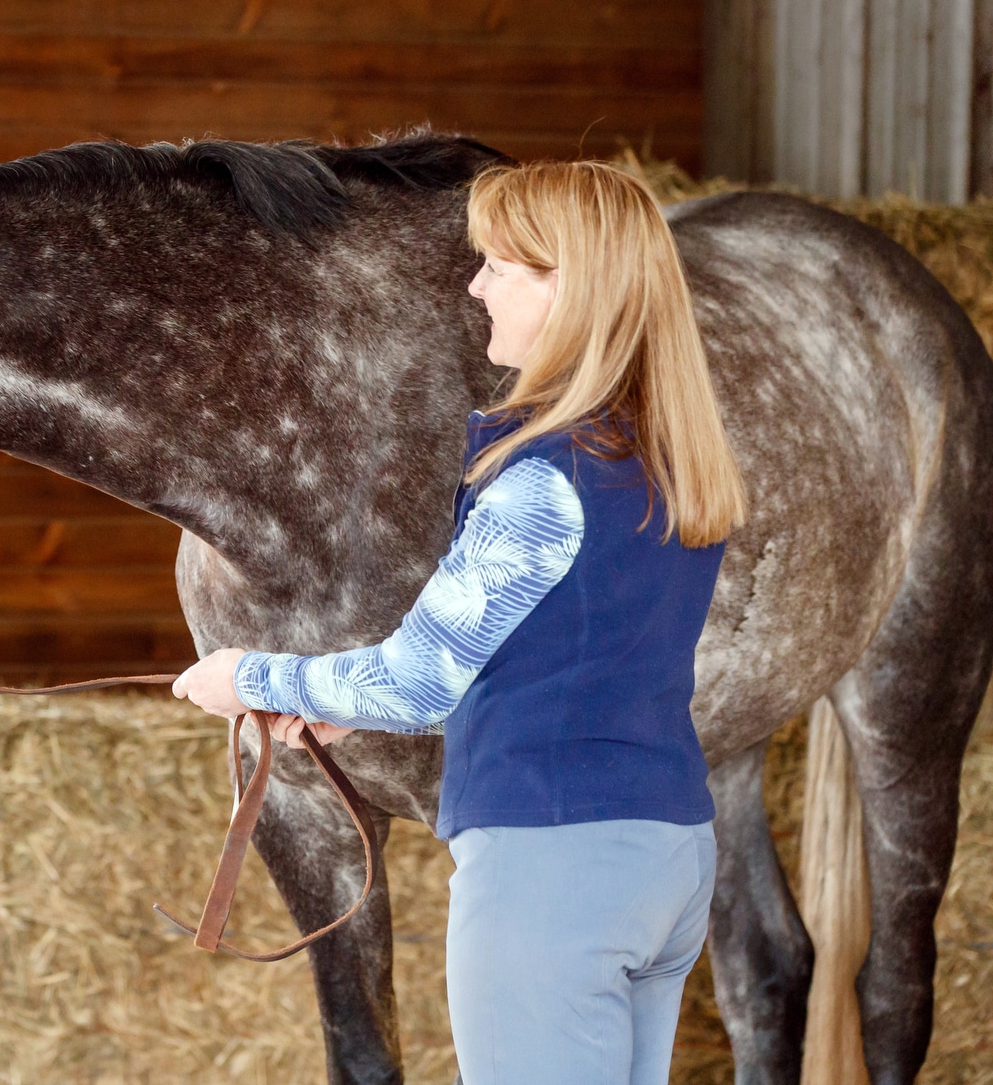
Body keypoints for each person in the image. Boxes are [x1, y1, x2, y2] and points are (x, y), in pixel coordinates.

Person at [173, 159, 746, 1085]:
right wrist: (346, 707)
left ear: (569, 287)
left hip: (553, 873)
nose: (477, 287)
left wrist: (246, 676)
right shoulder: (667, 463)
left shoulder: (542, 483)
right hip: (666, 855)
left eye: (501, 268)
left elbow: (419, 678)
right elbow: (564, 657)